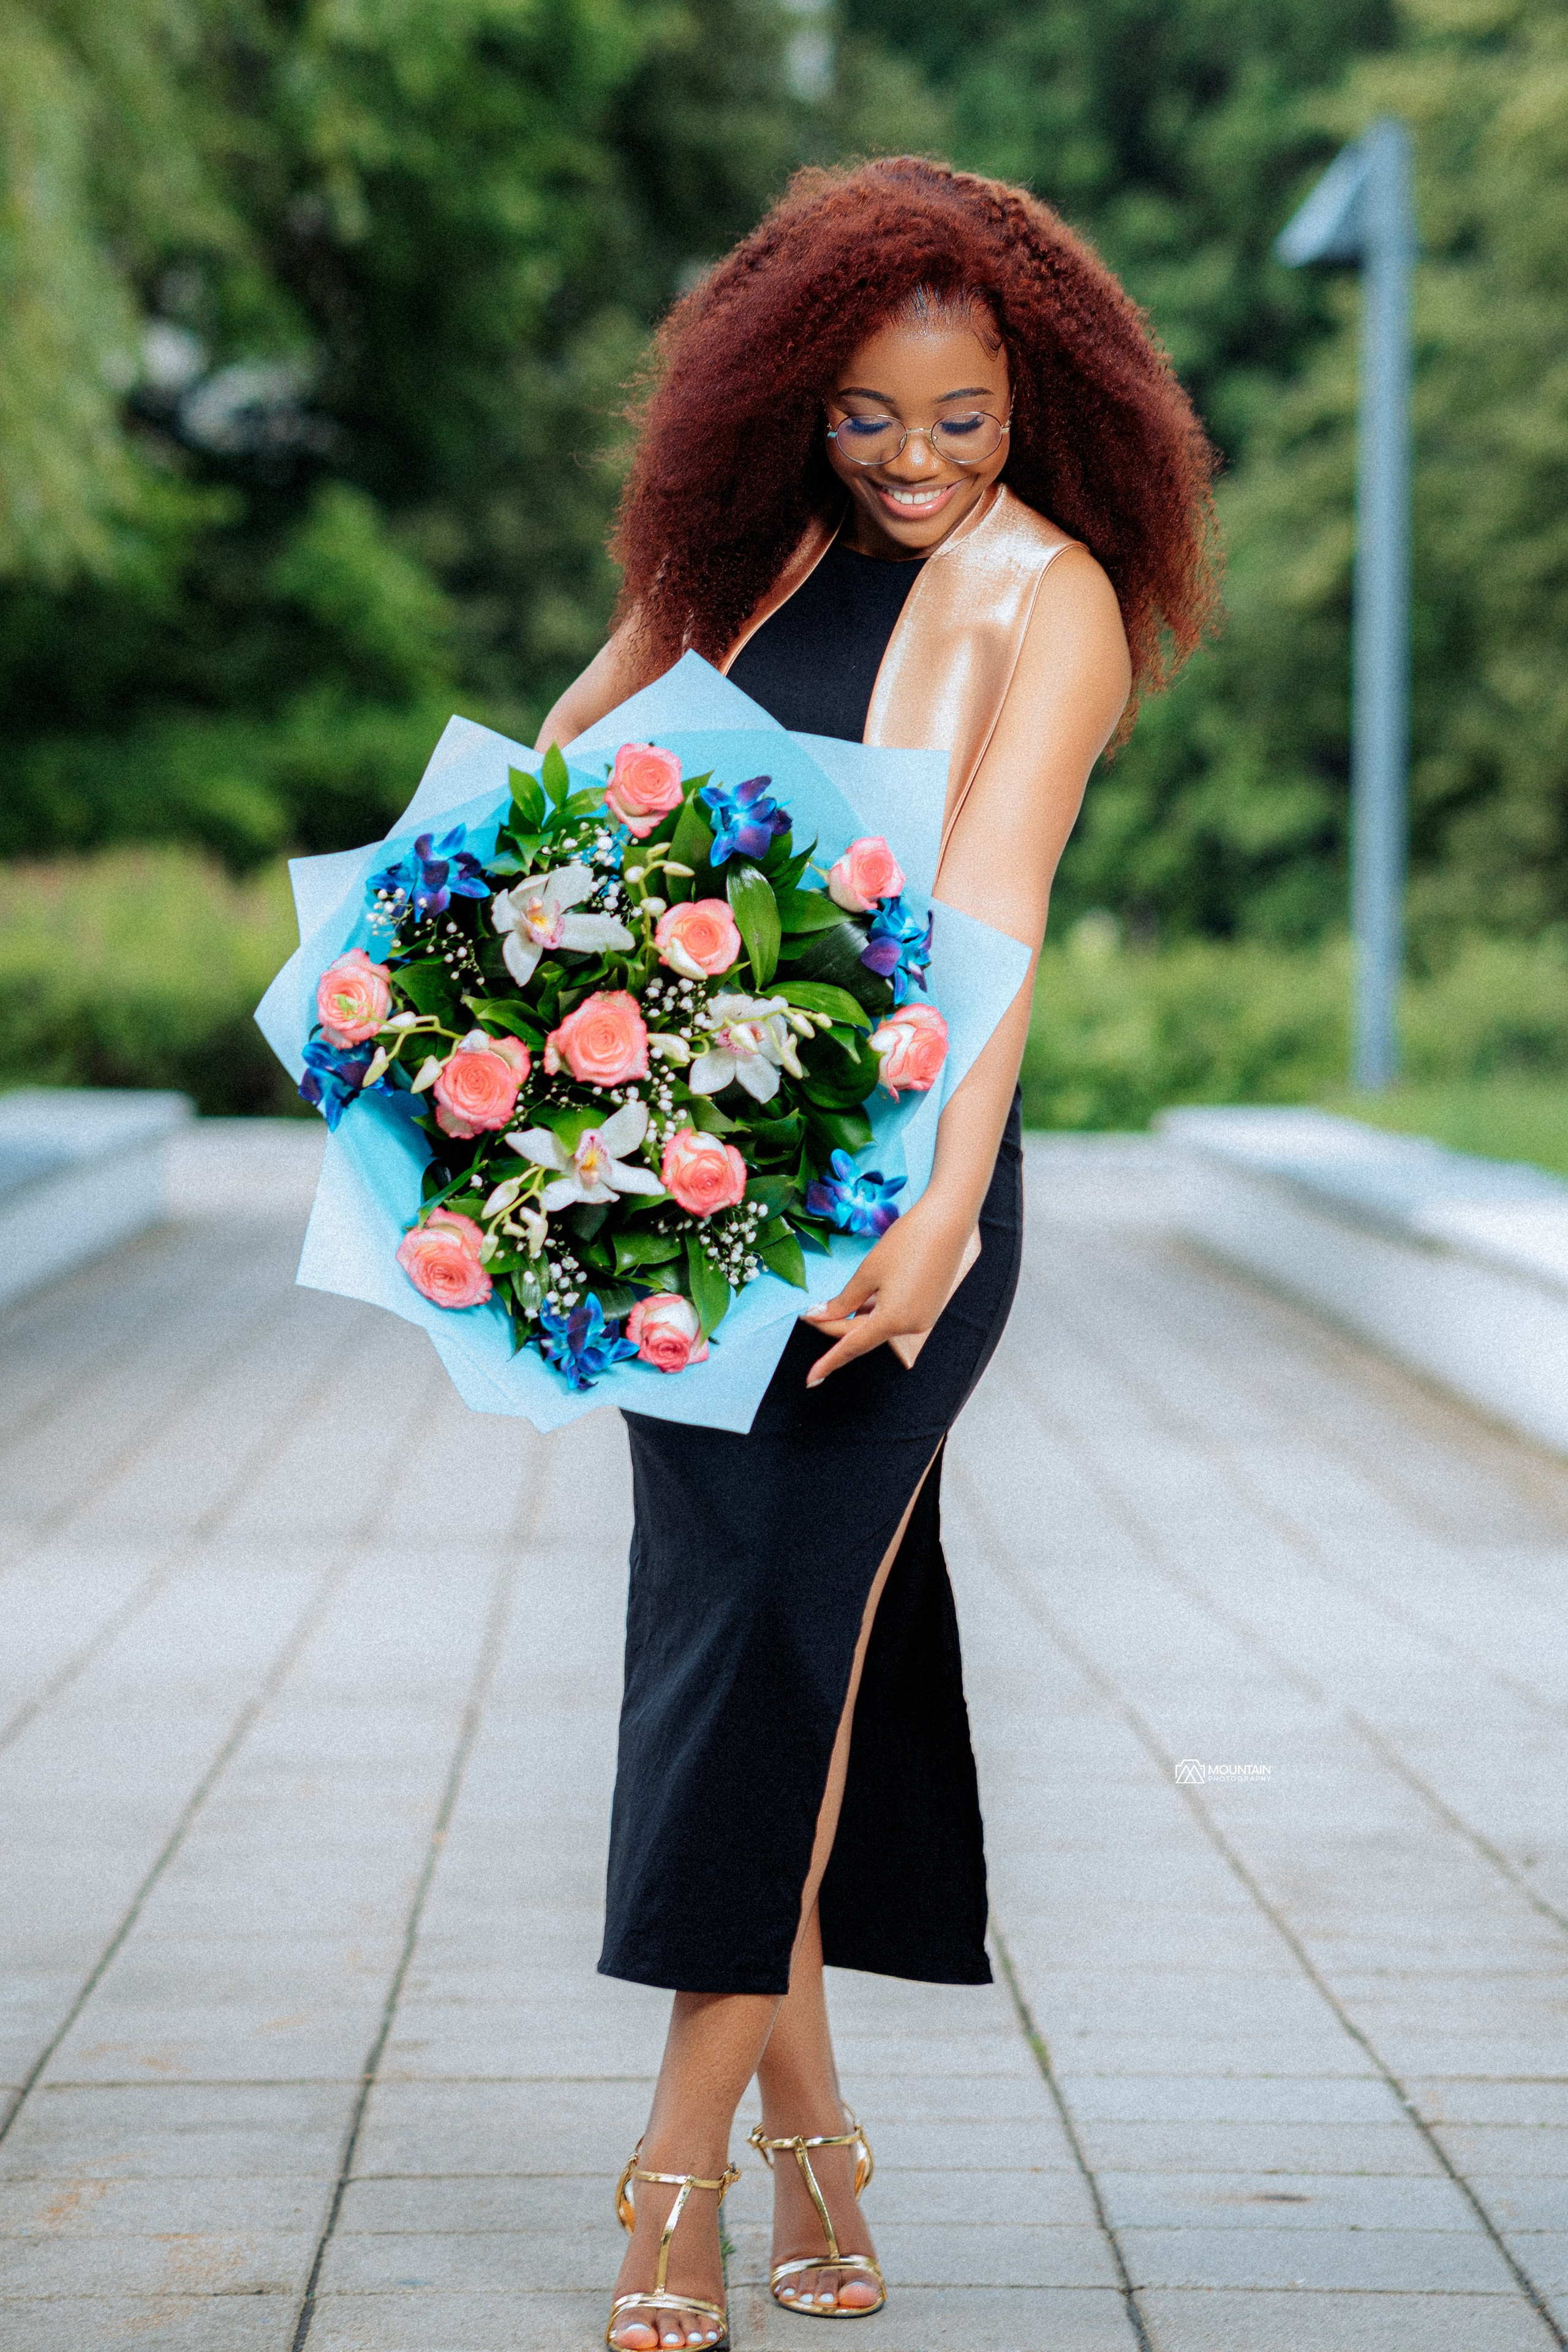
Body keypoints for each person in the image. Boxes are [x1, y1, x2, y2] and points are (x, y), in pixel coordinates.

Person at [538, 156, 1217, 2352]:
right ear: (790, 403)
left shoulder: (1057, 597)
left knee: (765, 1652)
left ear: (1041, 405)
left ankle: (675, 2181)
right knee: (756, 1659)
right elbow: (563, 770)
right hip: (692, 1210)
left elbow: (993, 913)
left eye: (963, 420)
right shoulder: (740, 564)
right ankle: (821, 2160)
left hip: (903, 1212)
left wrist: (939, 1215)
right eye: (865, 417)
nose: (916, 463)